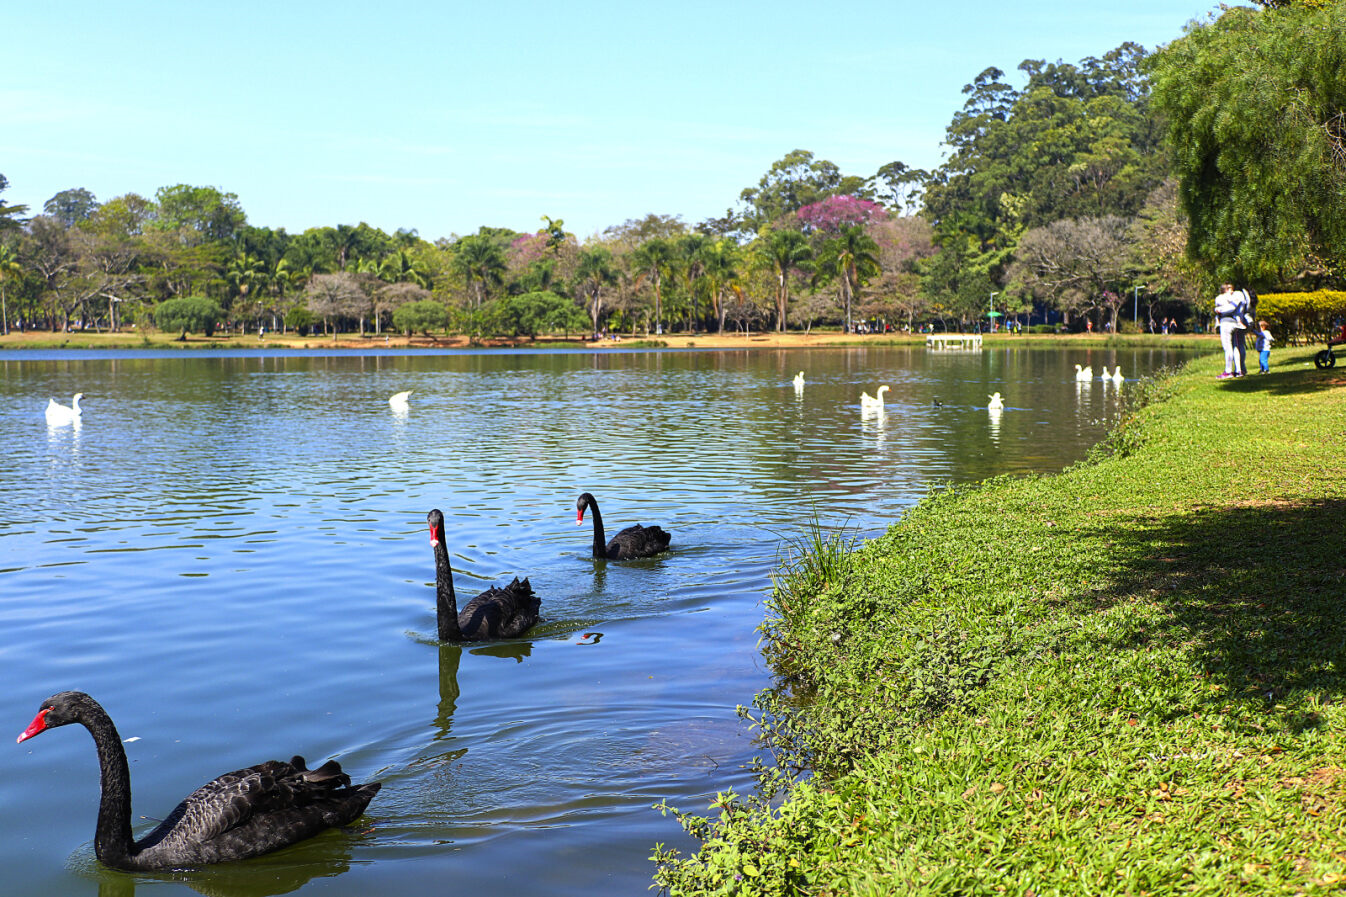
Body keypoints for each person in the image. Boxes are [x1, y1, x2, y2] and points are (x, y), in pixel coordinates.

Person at [1213, 283, 1245, 379]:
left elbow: (1227, 308)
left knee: (1227, 347)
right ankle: (1238, 370)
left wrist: (1218, 309)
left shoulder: (1222, 297)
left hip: (1226, 323)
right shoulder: (1238, 296)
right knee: (1235, 346)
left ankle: (1228, 371)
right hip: (1235, 323)